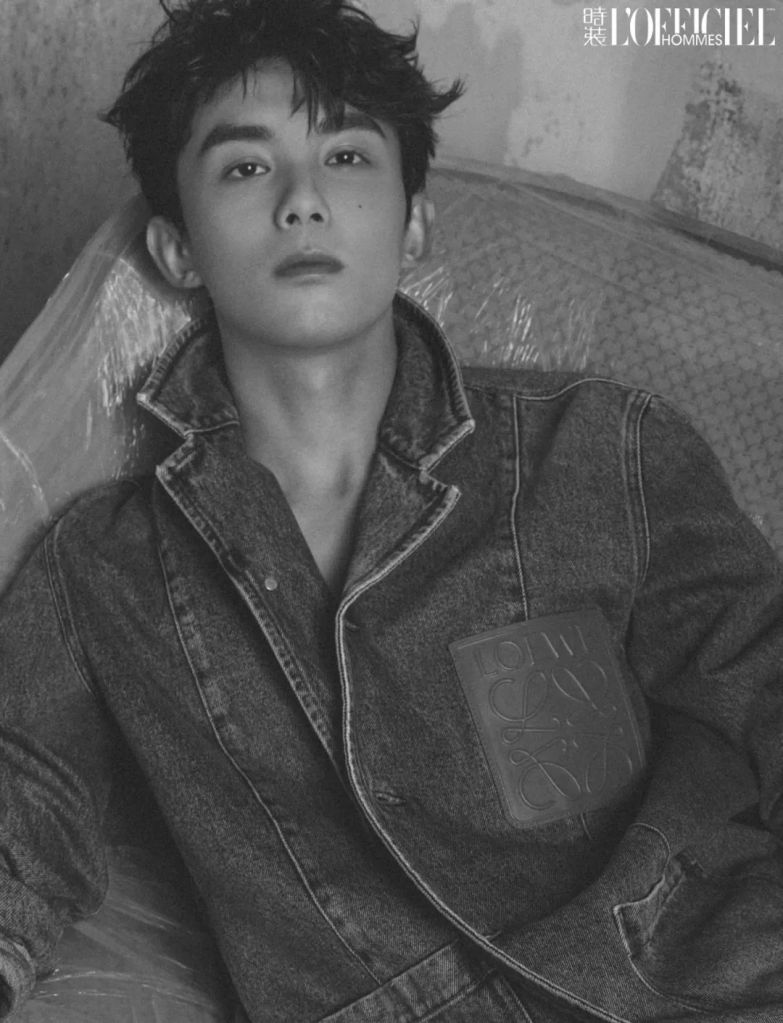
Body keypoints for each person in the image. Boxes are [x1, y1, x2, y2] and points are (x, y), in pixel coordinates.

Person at [1, 0, 782, 1020]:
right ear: (177, 248)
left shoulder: (597, 449)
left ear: (413, 224)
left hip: (707, 973)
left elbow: (765, 676)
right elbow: (23, 821)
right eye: (245, 166)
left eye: (347, 158)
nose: (302, 202)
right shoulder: (100, 572)